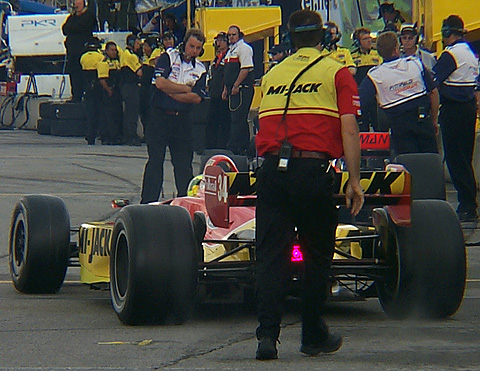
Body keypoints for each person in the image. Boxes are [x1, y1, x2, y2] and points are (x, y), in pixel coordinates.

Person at [254, 9, 364, 361]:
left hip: (271, 171)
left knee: (271, 256)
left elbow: (258, 120)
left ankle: (267, 338)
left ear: (290, 38)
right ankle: (313, 334)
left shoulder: (272, 74)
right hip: (312, 171)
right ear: (324, 37)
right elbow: (349, 128)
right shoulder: (338, 72)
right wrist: (355, 180)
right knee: (317, 256)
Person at [140, 28, 207, 202]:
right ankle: (147, 203)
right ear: (185, 43)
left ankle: (186, 202)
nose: (193, 50)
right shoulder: (168, 57)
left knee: (184, 165)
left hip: (183, 120)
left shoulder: (200, 69)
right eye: (191, 46)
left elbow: (196, 98)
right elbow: (160, 83)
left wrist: (172, 91)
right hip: (159, 117)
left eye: (198, 48)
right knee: (155, 161)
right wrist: (185, 88)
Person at [359, 31, 439, 156]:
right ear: (396, 49)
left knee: (407, 165)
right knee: (431, 162)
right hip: (423, 121)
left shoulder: (374, 75)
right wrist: (434, 120)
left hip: (399, 127)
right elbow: (433, 93)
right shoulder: (415, 64)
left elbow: (361, 103)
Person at [433, 15, 479, 222]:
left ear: (446, 33)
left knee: (454, 159)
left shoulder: (450, 54)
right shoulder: (471, 53)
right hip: (469, 109)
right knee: (465, 158)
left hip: (453, 110)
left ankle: (467, 205)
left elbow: (433, 80)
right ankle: (469, 202)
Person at [222, 25, 255, 155]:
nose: (231, 37)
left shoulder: (244, 48)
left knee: (239, 118)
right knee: (234, 118)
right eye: (229, 35)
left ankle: (239, 147)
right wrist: (226, 88)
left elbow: (245, 68)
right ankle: (240, 145)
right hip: (232, 90)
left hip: (242, 89)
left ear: (239, 35)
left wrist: (236, 85)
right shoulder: (230, 51)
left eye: (233, 34)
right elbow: (227, 72)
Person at [62, 0, 96, 102]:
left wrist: (72, 28)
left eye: (79, 4)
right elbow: (64, 29)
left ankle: (86, 96)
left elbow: (82, 27)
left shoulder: (88, 16)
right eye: (75, 4)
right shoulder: (71, 18)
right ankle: (76, 96)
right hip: (72, 53)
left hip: (83, 52)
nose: (76, 6)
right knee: (73, 74)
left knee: (83, 75)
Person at [351, 27, 382, 131]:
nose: (369, 41)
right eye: (365, 39)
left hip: (375, 95)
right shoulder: (352, 56)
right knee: (362, 126)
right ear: (357, 42)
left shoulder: (377, 54)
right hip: (361, 95)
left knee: (378, 124)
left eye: (370, 38)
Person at [205, 32, 231, 149]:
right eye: (218, 40)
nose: (219, 43)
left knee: (223, 120)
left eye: (222, 40)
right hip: (214, 93)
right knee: (212, 119)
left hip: (223, 94)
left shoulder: (229, 55)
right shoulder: (217, 57)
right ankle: (210, 145)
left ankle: (221, 145)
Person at [97, 41, 123, 145]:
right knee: (109, 115)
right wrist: (109, 90)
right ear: (106, 51)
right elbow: (102, 79)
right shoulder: (103, 62)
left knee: (117, 114)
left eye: (115, 50)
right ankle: (108, 136)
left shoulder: (117, 61)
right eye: (112, 50)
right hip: (108, 91)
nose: (114, 52)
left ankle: (117, 135)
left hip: (117, 91)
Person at [80, 37, 104, 145]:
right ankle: (99, 133)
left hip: (87, 85)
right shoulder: (100, 56)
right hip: (98, 85)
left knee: (90, 112)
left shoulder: (83, 57)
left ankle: (89, 135)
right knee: (99, 111)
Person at [120, 34, 143, 146]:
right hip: (131, 86)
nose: (139, 46)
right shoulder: (131, 56)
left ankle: (128, 134)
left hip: (125, 86)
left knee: (129, 112)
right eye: (137, 44)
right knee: (132, 112)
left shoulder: (124, 54)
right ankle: (131, 136)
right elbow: (140, 72)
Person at [140, 35, 163, 131]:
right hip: (144, 88)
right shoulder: (145, 57)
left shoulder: (157, 55)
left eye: (146, 46)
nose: (144, 49)